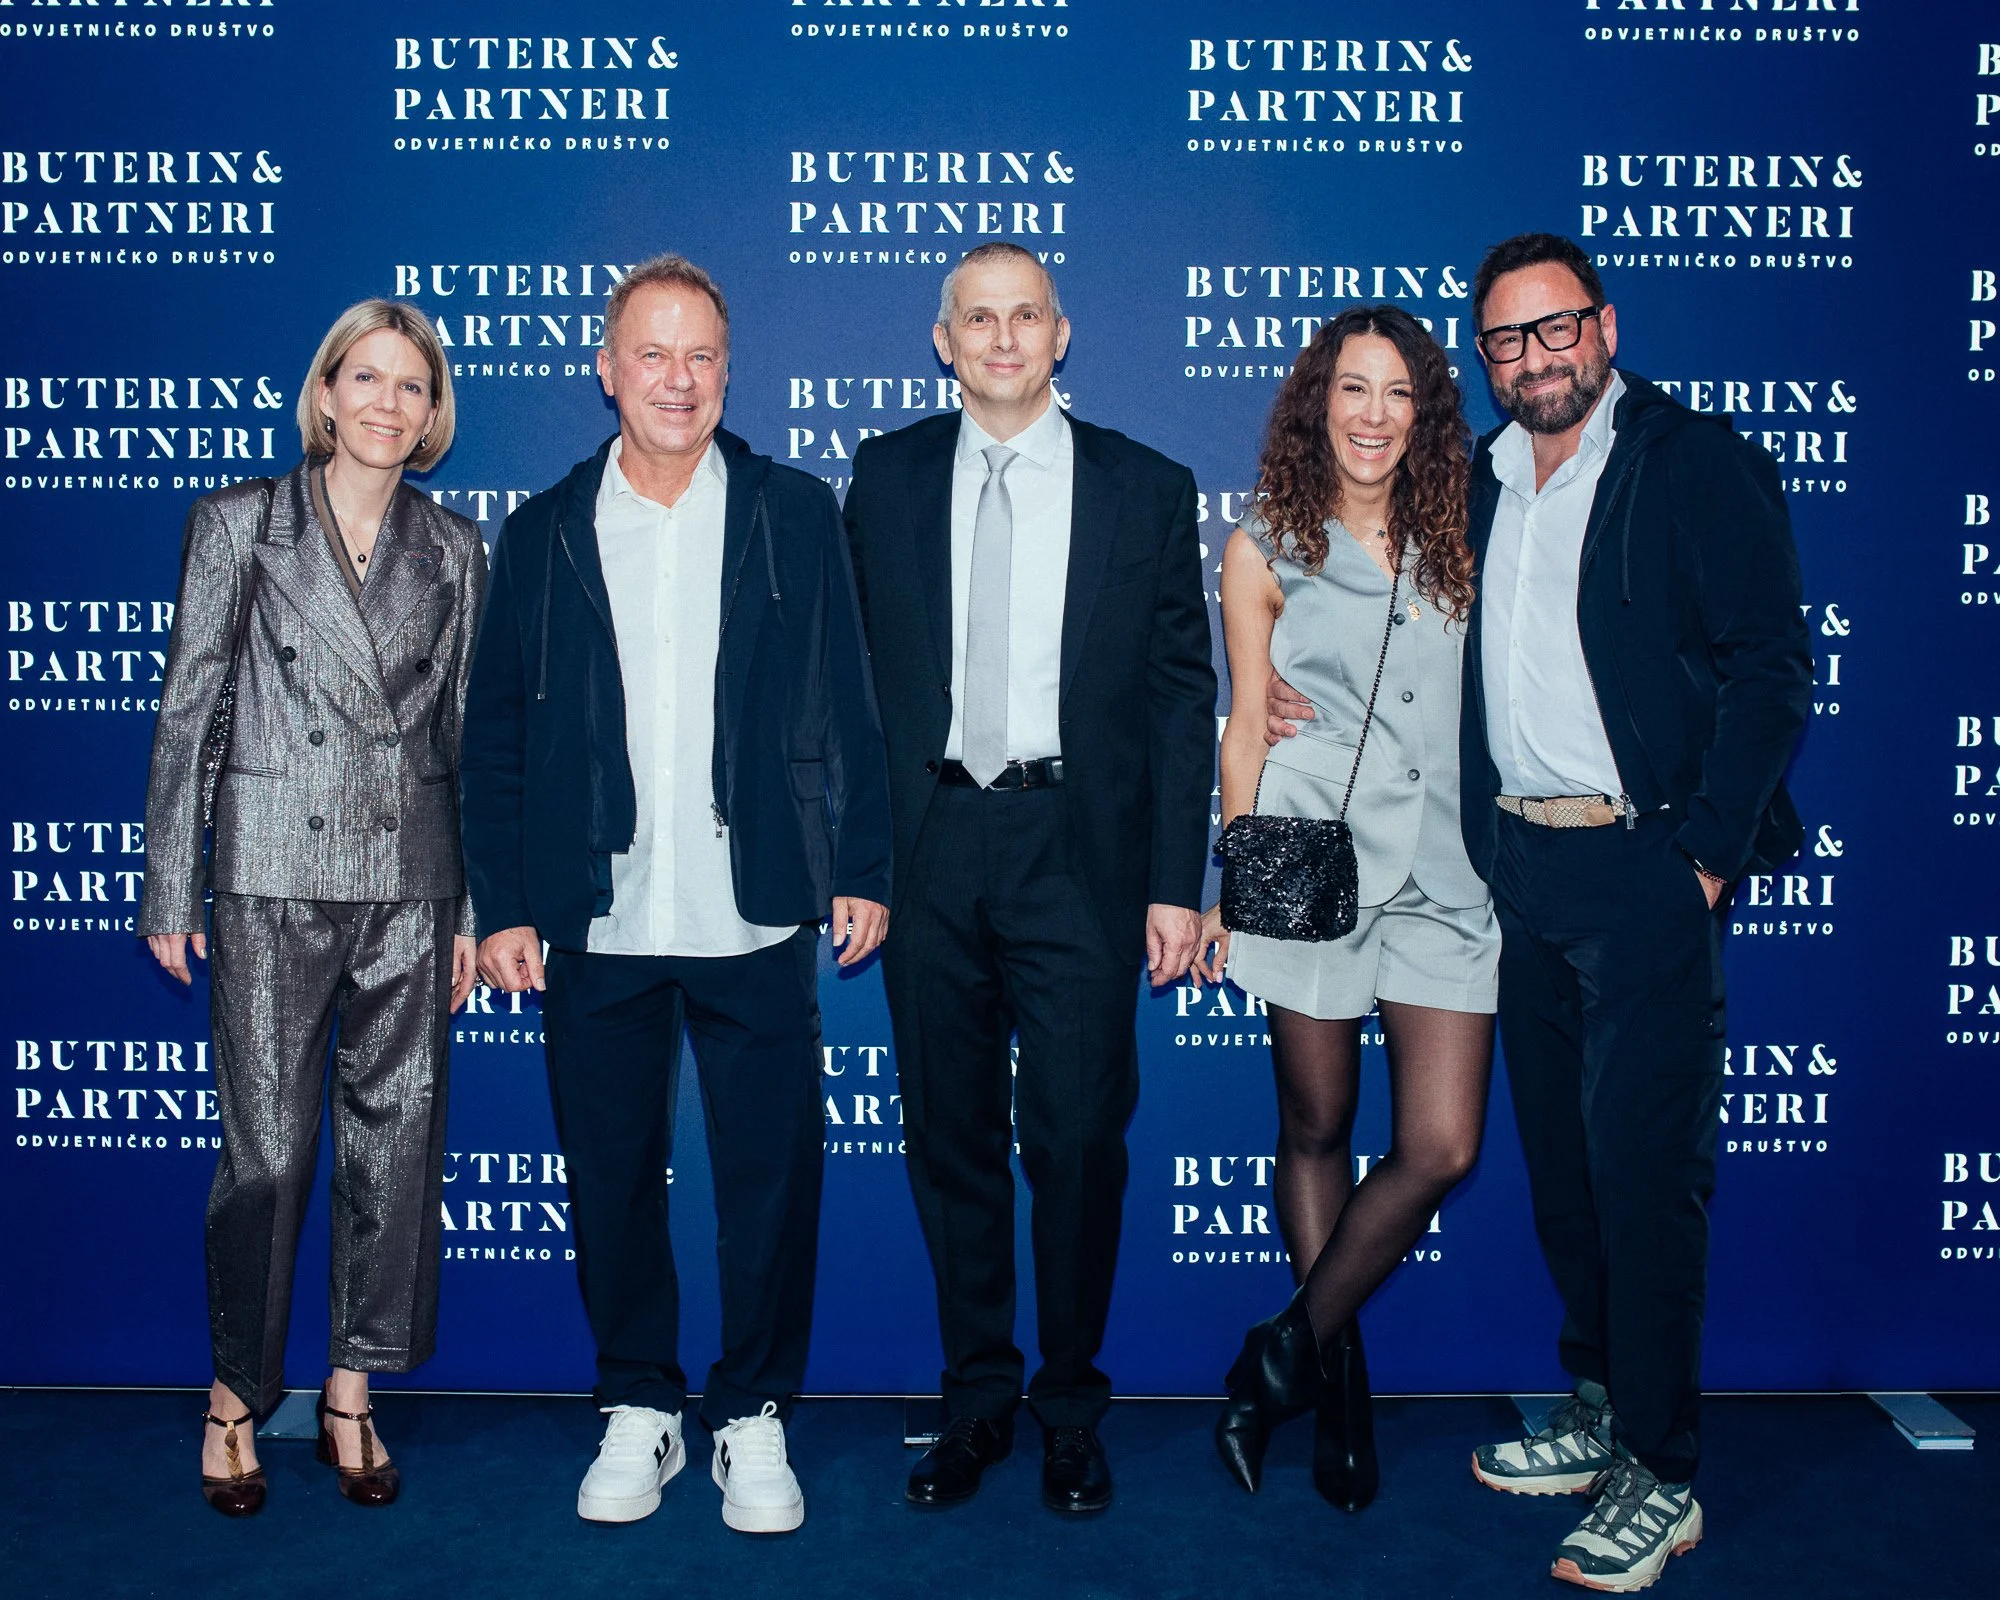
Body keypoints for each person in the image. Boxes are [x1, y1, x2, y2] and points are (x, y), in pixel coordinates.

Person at [1275, 235, 1811, 1591]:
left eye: (1555, 329)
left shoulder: (1695, 462)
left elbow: (1771, 672)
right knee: (1568, 1177)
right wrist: (1270, 692)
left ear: (1605, 328)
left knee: (1645, 1181)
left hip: (1645, 872)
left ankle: (1664, 1470)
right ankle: (1598, 1403)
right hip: (1514, 869)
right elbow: (1377, 634)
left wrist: (1701, 855)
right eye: (1507, 341)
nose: (1536, 358)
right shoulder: (1484, 484)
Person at [458, 253, 891, 1536]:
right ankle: (639, 1402)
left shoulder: (791, 510)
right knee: (606, 1171)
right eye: (651, 353)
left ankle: (751, 1411)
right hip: (591, 910)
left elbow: (850, 703)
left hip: (751, 904)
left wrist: (859, 865)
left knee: (771, 1175)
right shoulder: (541, 529)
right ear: (606, 370)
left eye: (699, 353)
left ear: (725, 368)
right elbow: (493, 740)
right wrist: (503, 903)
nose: (677, 378)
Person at [843, 242, 1215, 1516]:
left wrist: (1178, 878)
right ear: (941, 341)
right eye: (976, 318)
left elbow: (1181, 697)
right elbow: (848, 692)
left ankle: (1067, 1404)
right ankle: (976, 1400)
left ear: (1063, 334)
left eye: (1024, 316)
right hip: (930, 849)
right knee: (949, 1140)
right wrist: (855, 858)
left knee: (1073, 1139)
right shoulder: (881, 479)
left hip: (1081, 854)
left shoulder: (1146, 488)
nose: (1001, 338)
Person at [139, 300, 485, 1516]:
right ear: (325, 394)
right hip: (274, 870)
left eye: (412, 385)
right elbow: (192, 708)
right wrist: (173, 879)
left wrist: (464, 906)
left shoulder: (453, 549)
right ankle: (236, 1395)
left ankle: (351, 1392)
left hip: (408, 875)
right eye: (367, 379)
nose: (388, 404)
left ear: (432, 410)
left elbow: (460, 737)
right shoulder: (239, 524)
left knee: (395, 1150)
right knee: (271, 1155)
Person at [1193, 306, 1496, 1513]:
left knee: (1439, 1144)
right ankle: (1339, 1390)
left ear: (1424, 414)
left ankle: (1279, 1356)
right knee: (1315, 1124)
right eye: (1350, 390)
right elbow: (1243, 721)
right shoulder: (1261, 542)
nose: (1372, 416)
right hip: (1308, 860)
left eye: (1397, 395)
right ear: (1315, 403)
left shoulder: (1471, 533)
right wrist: (1228, 875)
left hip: (1449, 874)